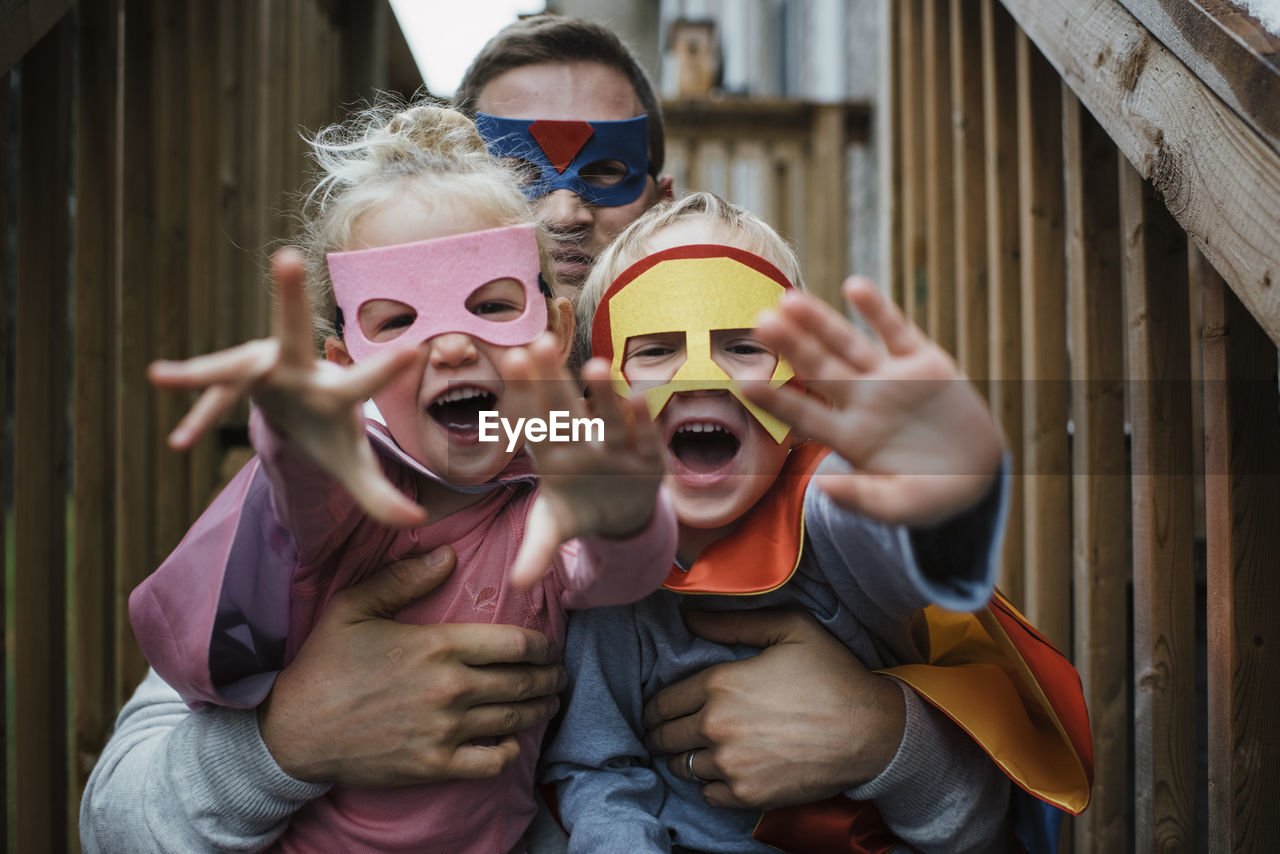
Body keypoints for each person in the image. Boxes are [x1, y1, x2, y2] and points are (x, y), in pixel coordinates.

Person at [82, 15, 1025, 853]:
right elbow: (115, 820)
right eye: (521, 169)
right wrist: (288, 741)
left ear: (656, 206)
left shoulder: (781, 455)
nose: (566, 207)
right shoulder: (364, 471)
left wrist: (884, 736)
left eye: (604, 170)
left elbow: (996, 810)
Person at [128, 102, 676, 852]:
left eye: (490, 305)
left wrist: (625, 511)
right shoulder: (359, 482)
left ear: (554, 329)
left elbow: (617, 569)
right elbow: (303, 500)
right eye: (397, 322)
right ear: (346, 367)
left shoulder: (555, 452)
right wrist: (296, 431)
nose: (451, 343)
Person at [542, 192, 1010, 853]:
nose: (700, 378)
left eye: (743, 346)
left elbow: (907, 548)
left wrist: (947, 490)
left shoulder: (833, 508)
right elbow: (597, 767)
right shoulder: (604, 564)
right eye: (653, 351)